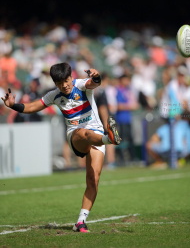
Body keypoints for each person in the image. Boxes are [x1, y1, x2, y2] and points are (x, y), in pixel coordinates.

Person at [1, 62, 121, 233]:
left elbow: (93, 83)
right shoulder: (54, 95)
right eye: (59, 83)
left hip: (97, 135)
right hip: (76, 136)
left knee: (93, 180)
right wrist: (14, 105)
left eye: (66, 80)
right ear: (55, 83)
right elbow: (33, 106)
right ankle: (109, 139)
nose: (64, 85)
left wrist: (96, 76)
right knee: (84, 133)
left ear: (71, 77)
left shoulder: (80, 85)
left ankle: (80, 222)